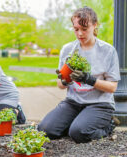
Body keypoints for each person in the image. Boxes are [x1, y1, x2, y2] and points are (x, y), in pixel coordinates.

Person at [38, 7, 120, 143]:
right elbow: (60, 85)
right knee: (45, 130)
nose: (80, 34)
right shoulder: (68, 50)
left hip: (99, 104)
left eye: (84, 29)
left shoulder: (107, 51)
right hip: (73, 102)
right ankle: (77, 122)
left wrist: (89, 79)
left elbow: (112, 87)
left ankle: (108, 126)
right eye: (76, 29)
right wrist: (66, 80)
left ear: (95, 25)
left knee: (79, 133)